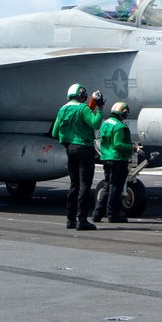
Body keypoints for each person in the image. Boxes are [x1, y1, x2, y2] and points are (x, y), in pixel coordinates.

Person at [52, 83, 104, 230]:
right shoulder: (83, 108)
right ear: (82, 95)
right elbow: (95, 123)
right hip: (84, 149)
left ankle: (70, 220)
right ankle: (82, 220)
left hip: (70, 149)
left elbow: (55, 133)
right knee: (85, 184)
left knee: (74, 184)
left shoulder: (62, 109)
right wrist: (99, 108)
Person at [92, 101, 132, 223]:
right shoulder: (120, 126)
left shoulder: (105, 124)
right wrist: (132, 147)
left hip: (106, 158)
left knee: (107, 186)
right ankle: (113, 214)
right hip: (118, 159)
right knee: (115, 188)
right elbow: (118, 144)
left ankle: (97, 214)